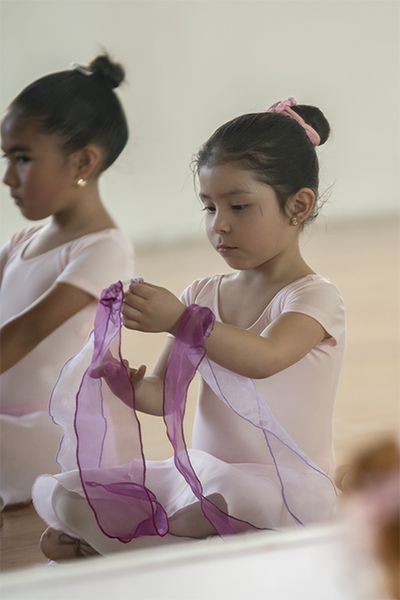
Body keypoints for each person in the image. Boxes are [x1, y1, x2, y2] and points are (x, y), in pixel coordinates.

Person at [34, 97, 345, 560]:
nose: (219, 225)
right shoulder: (202, 293)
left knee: (210, 508)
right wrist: (125, 383)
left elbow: (265, 358)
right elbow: (165, 395)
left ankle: (134, 550)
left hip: (281, 487)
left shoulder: (313, 297)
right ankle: (155, 550)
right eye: (208, 207)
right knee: (67, 498)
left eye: (238, 206)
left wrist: (180, 320)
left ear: (298, 206)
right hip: (203, 475)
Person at [0, 53, 134, 509]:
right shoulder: (23, 240)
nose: (6, 177)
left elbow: (31, 330)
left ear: (82, 161)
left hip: (49, 437)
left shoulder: (103, 249)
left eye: (22, 158)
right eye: (6, 158)